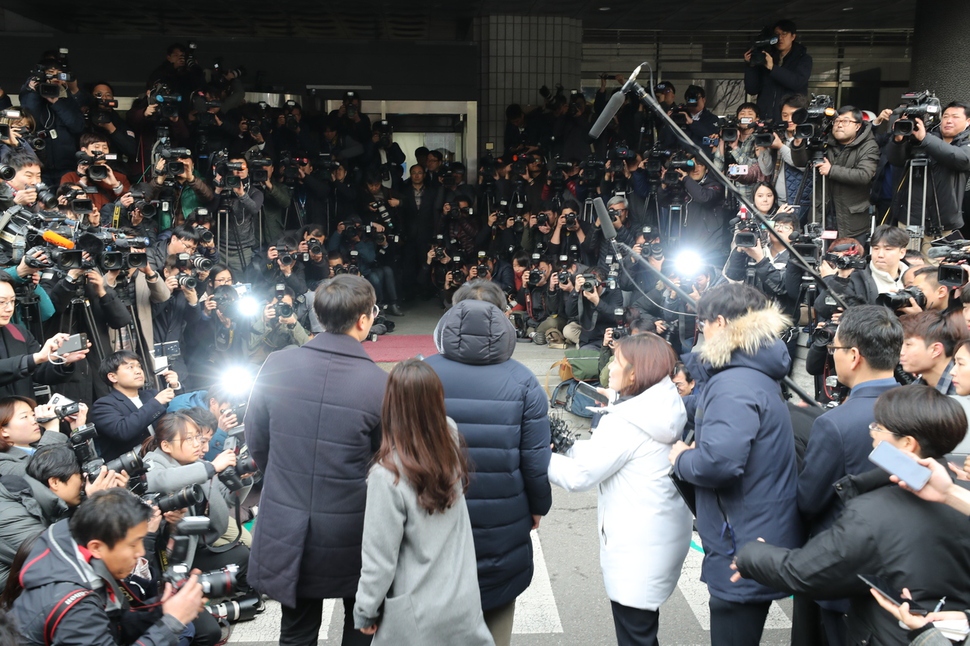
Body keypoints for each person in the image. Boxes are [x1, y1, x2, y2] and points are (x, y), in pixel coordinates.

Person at [733, 386, 970, 646]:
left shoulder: (873, 513)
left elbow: (804, 571)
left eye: (879, 427)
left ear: (907, 443)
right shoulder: (960, 494)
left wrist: (751, 554)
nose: (872, 432)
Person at [245, 275, 387, 646]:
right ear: (363, 319)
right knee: (362, 624)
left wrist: (284, 473)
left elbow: (257, 440)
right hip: (353, 524)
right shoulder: (379, 383)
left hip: (289, 520)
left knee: (297, 630)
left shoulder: (277, 364)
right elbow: (385, 460)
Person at [668, 283, 802, 646]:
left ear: (721, 323)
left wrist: (682, 458)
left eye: (703, 323)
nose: (701, 332)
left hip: (740, 538)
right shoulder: (753, 372)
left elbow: (718, 463)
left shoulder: (733, 384)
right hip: (756, 527)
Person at [425, 280, 552, 646]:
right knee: (495, 617)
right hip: (503, 521)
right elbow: (534, 462)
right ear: (504, 318)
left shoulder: (419, 372)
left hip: (432, 517)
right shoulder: (524, 382)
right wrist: (538, 506)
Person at [548, 333, 692, 646]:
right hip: (659, 535)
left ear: (635, 374)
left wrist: (537, 457)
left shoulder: (625, 421)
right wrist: (568, 445)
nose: (609, 368)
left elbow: (579, 477)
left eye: (617, 361)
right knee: (641, 630)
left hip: (636, 548)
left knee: (635, 636)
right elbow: (608, 457)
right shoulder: (662, 405)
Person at [352, 359, 492, 645]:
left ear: (391, 405)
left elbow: (379, 558)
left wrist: (366, 611)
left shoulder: (386, 474)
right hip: (462, 601)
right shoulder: (449, 439)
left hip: (417, 613)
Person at [796, 306, 903, 646]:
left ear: (854, 355)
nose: (834, 355)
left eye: (835, 349)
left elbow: (809, 500)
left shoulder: (836, 424)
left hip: (845, 569)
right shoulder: (919, 404)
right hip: (902, 566)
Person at [10, 489, 207, 646]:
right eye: (133, 544)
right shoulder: (76, 605)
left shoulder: (75, 555)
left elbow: (114, 627)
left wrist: (162, 609)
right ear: (96, 547)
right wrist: (172, 622)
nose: (140, 552)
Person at [790, 106, 880, 242]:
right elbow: (801, 161)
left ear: (857, 126)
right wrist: (798, 143)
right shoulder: (824, 140)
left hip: (851, 219)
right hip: (822, 214)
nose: (839, 125)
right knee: (819, 258)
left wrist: (831, 170)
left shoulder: (868, 145)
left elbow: (864, 175)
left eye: (845, 121)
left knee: (849, 259)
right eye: (837, 121)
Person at [89, 350, 180, 462]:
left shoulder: (152, 394)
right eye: (130, 367)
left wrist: (174, 386)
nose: (138, 371)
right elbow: (123, 431)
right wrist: (156, 403)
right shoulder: (103, 405)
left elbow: (179, 416)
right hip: (130, 470)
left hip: (165, 461)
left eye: (139, 366)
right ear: (113, 377)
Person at [743, 19, 813, 123]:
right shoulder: (767, 57)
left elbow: (797, 82)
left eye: (784, 34)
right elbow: (752, 89)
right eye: (776, 34)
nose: (780, 38)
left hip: (791, 119)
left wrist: (773, 68)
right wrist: (751, 65)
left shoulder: (803, 59)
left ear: (793, 36)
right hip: (765, 118)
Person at [0, 396, 79, 478]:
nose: (35, 420)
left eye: (33, 415)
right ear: (3, 431)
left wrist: (78, 431)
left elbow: (85, 465)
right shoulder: (3, 462)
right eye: (24, 417)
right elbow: (41, 476)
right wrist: (52, 429)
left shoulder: (39, 446)